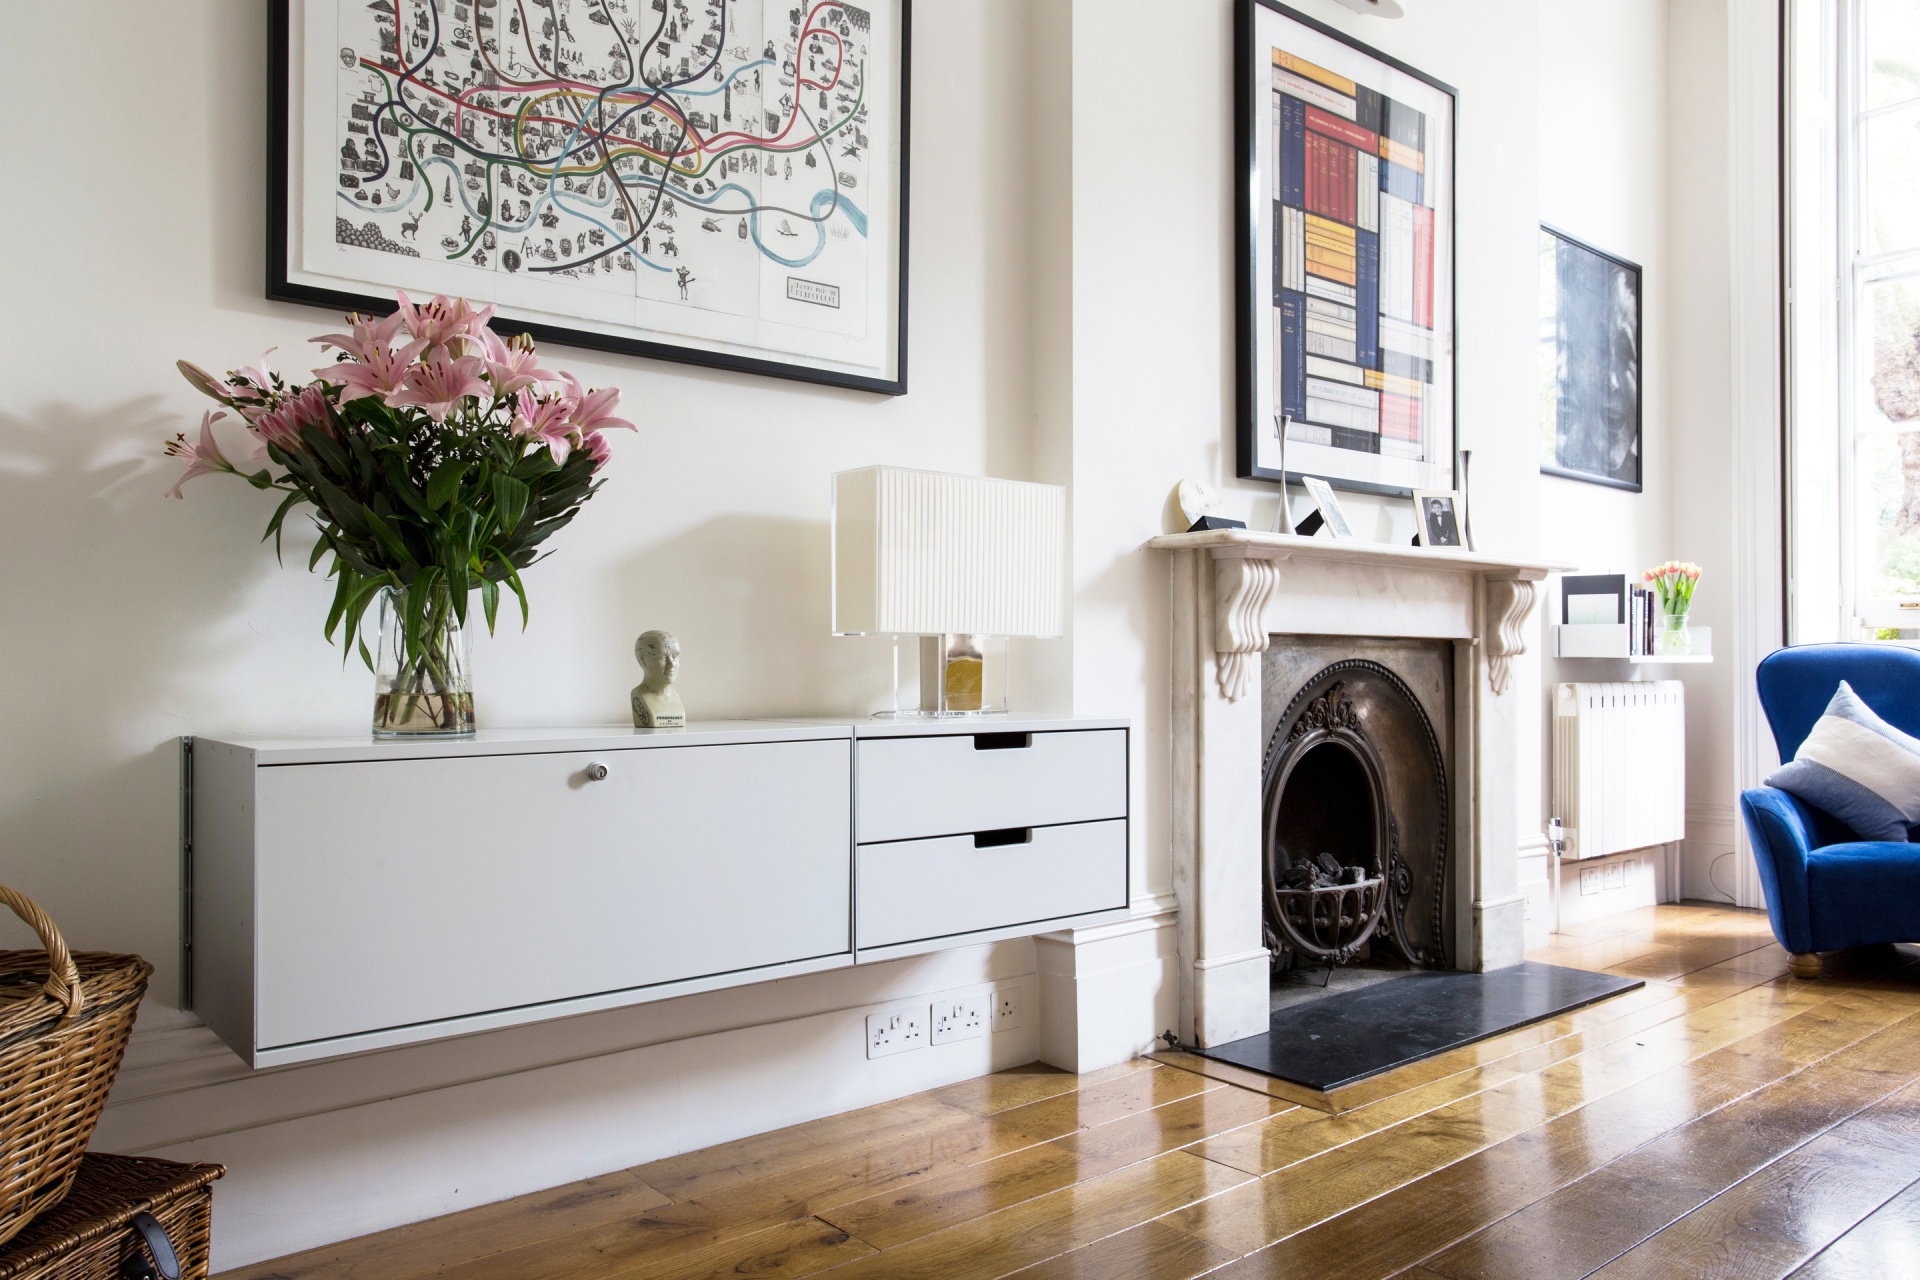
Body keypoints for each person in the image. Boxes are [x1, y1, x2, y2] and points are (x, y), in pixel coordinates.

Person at [631, 630, 687, 728]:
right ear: (642, 659)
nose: (671, 665)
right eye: (662, 657)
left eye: (675, 656)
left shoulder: (675, 696)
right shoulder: (639, 695)